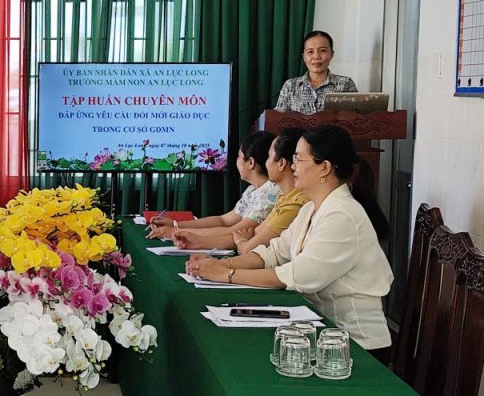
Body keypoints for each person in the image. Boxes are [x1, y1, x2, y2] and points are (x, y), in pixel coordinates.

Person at [187, 125, 393, 358]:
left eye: (299, 159)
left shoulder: (342, 215)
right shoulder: (310, 209)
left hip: (356, 345)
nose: (293, 166)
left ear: (324, 167)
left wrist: (226, 275)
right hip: (324, 335)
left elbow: (299, 275)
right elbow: (273, 253)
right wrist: (218, 264)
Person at [173, 129, 309, 254]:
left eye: (269, 157)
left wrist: (180, 232)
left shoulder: (280, 196)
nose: (266, 163)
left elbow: (244, 242)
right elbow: (235, 227)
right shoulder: (280, 196)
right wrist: (184, 232)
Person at [148, 131, 278, 240]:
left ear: (250, 162)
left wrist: (176, 232)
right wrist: (175, 224)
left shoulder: (271, 193)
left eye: (239, 156)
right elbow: (223, 221)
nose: (237, 161)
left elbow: (233, 231)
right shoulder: (252, 189)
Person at [274, 31, 358, 114]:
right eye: (310, 52)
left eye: (323, 50)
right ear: (303, 56)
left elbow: (357, 118)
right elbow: (278, 119)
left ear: (331, 54)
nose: (316, 56)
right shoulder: (290, 86)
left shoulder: (346, 84)